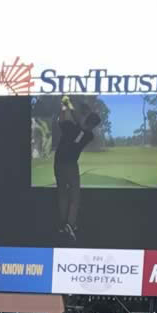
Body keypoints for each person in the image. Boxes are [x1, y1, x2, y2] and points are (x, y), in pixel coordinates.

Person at [49, 98, 99, 241]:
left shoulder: (71, 127)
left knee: (63, 194)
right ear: (93, 125)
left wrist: (65, 105)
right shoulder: (89, 135)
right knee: (75, 196)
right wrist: (69, 106)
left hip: (58, 163)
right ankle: (70, 225)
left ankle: (63, 224)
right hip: (70, 165)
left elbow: (62, 119)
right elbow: (81, 122)